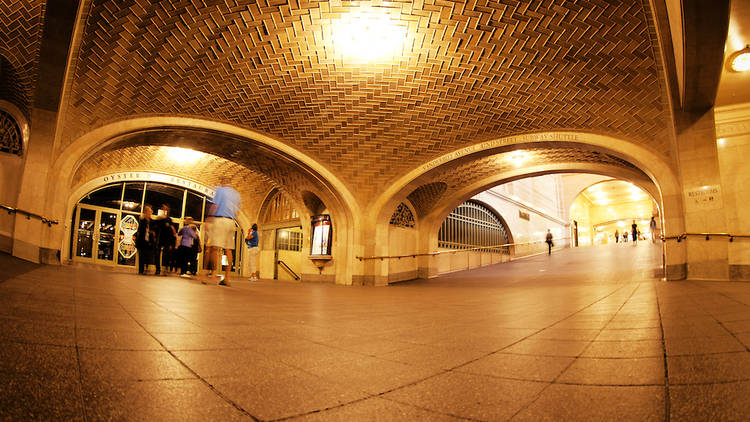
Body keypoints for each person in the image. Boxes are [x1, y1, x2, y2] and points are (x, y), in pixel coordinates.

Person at [204, 185, 241, 286]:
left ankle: (212, 275)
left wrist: (209, 218)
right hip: (231, 222)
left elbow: (215, 205)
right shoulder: (236, 194)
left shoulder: (221, 190)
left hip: (220, 220)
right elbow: (237, 211)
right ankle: (227, 278)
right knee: (228, 249)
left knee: (214, 248)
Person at [154, 204, 177, 276]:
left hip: (167, 240)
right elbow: (156, 227)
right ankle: (158, 269)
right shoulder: (160, 219)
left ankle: (165, 268)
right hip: (160, 238)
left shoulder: (169, 220)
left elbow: (172, 230)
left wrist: (172, 241)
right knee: (157, 254)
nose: (165, 210)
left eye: (166, 209)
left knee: (166, 254)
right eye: (163, 209)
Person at [135, 205, 156, 274]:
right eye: (149, 212)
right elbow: (139, 231)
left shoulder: (152, 222)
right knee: (141, 256)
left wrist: (152, 233)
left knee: (148, 256)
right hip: (142, 241)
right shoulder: (142, 221)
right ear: (145, 212)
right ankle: (141, 270)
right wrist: (146, 231)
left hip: (149, 242)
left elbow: (155, 230)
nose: (150, 214)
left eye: (150, 212)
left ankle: (146, 268)